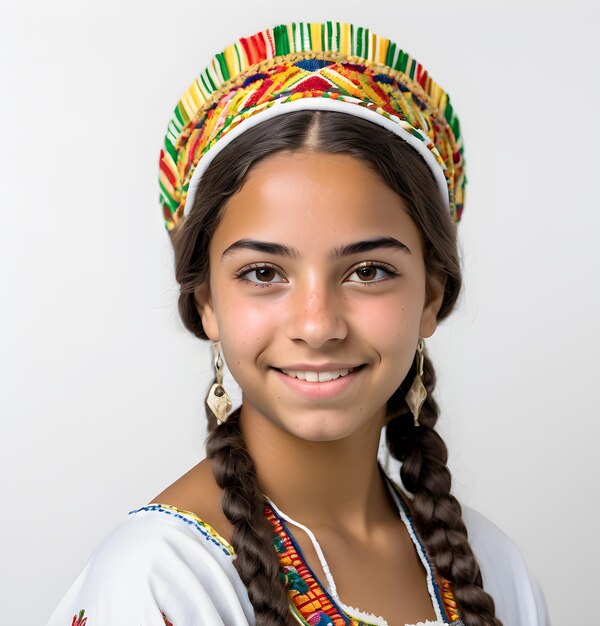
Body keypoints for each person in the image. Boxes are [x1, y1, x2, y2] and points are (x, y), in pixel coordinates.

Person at [45, 21, 550, 626]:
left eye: (367, 271)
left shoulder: (491, 568)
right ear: (206, 302)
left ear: (431, 298)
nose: (317, 325)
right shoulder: (163, 579)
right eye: (263, 273)